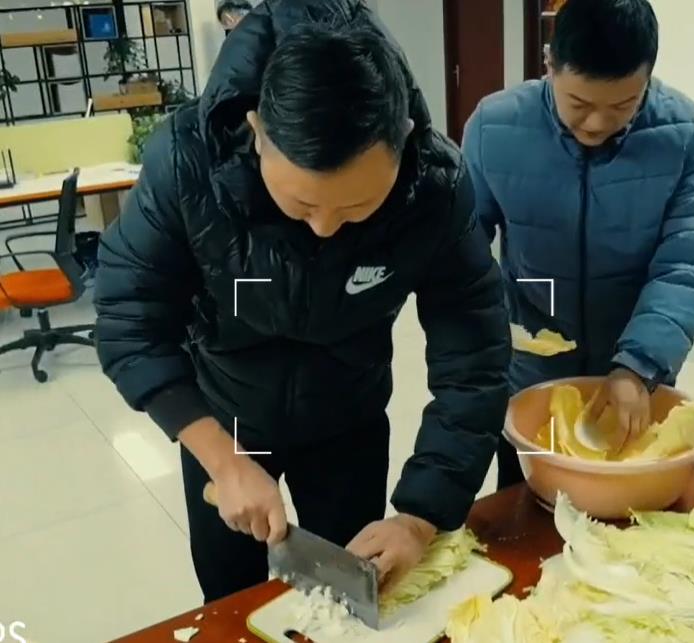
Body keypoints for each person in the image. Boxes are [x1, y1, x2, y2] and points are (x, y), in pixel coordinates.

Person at [94, 0, 510, 603]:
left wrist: (421, 516)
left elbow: (475, 358)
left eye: (356, 208)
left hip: (347, 417)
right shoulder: (188, 159)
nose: (324, 228)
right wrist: (223, 459)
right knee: (229, 600)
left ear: (403, 142)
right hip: (225, 413)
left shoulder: (434, 185)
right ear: (257, 131)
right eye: (301, 205)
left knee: (350, 595)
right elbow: (129, 317)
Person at [462, 0, 694, 489]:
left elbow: (692, 259)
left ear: (647, 77)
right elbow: (462, 247)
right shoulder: (493, 127)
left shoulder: (687, 135)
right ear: (549, 64)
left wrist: (638, 365)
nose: (596, 124)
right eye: (580, 104)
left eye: (623, 105)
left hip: (637, 374)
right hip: (531, 373)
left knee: (627, 512)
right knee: (525, 505)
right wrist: (485, 331)